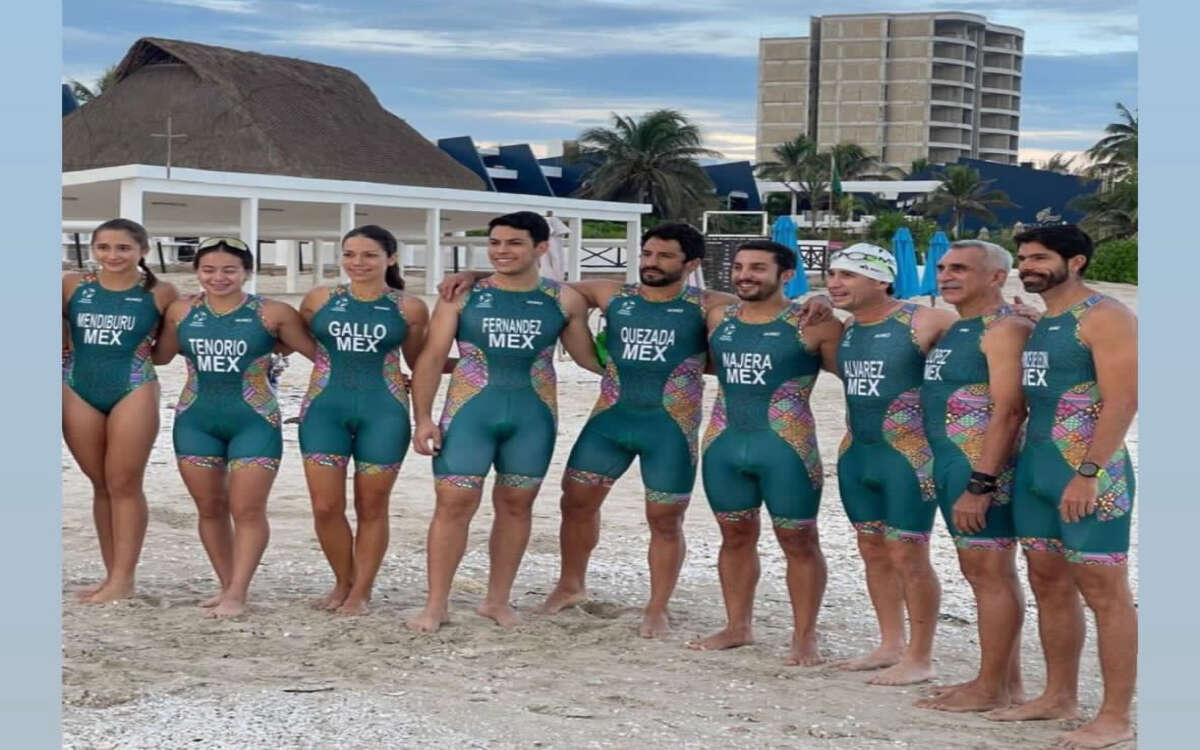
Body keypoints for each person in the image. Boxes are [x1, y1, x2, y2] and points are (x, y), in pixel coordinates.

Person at [438, 223, 830, 637]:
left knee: (664, 519)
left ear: (691, 263)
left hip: (670, 429)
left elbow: (764, 306)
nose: (651, 263)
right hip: (609, 420)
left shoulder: (710, 306)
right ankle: (571, 585)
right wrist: (475, 276)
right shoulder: (613, 296)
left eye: (664, 256)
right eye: (647, 254)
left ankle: (657, 607)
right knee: (576, 502)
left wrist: (816, 299)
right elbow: (538, 282)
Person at [408, 211, 601, 633]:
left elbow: (590, 359)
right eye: (494, 243)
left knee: (516, 506)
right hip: (469, 413)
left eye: (514, 243)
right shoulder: (462, 296)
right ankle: (436, 603)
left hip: (533, 419)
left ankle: (497, 600)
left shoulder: (562, 300)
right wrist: (422, 418)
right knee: (454, 504)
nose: (501, 251)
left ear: (541, 248)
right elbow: (432, 357)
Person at [987, 225, 1137, 750]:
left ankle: (1116, 716)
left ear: (1074, 262)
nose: (1027, 266)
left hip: (1090, 473)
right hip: (1035, 470)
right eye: (1022, 257)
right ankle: (1058, 696)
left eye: (1039, 258)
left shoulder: (1105, 316)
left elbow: (1122, 402)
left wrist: (1089, 473)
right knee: (1047, 582)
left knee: (1106, 593)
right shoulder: (1044, 320)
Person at [685, 240, 842, 665]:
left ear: (786, 274)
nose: (744, 276)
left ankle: (804, 636)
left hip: (787, 447)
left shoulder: (815, 324)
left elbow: (863, 377)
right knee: (734, 535)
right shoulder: (719, 316)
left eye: (757, 268)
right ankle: (738, 626)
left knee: (799, 539)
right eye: (738, 267)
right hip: (723, 444)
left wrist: (826, 298)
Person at [154, 238, 315, 618]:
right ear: (197, 273)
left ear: (247, 272)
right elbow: (160, 355)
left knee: (247, 510)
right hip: (195, 419)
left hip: (254, 421)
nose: (218, 277)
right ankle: (227, 585)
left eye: (229, 270)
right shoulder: (181, 311)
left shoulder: (273, 313)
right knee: (209, 508)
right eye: (209, 270)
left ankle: (238, 592)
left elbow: (318, 354)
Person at [829, 242, 957, 685]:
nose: (834, 283)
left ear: (881, 280)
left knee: (909, 553)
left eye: (847, 275)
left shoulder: (925, 319)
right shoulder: (844, 327)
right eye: (832, 273)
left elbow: (985, 337)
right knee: (871, 548)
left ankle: (921, 657)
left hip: (910, 457)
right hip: (857, 453)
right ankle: (890, 644)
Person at [914, 240, 1033, 712]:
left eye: (960, 268)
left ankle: (991, 687)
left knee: (990, 573)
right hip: (951, 461)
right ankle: (1007, 682)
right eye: (942, 267)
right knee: (982, 572)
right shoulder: (959, 327)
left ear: (997, 277)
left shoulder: (1004, 329)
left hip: (979, 464)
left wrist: (981, 484)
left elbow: (1009, 411)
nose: (946, 276)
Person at [297, 225, 429, 616]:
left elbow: (421, 362)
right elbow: (296, 337)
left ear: (390, 258)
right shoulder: (319, 299)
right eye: (350, 254)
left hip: (384, 412)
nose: (358, 263)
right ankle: (343, 581)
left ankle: (361, 592)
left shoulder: (409, 307)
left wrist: (463, 370)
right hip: (324, 409)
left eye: (369, 255)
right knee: (325, 506)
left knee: (372, 507)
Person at [62, 218, 179, 603]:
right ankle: (112, 575)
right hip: (78, 388)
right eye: (104, 248)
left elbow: (163, 355)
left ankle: (125, 578)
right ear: (93, 250)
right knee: (101, 485)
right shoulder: (72, 286)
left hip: (133, 387)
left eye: (124, 248)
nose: (113, 255)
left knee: (124, 483)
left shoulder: (161, 293)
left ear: (143, 251)